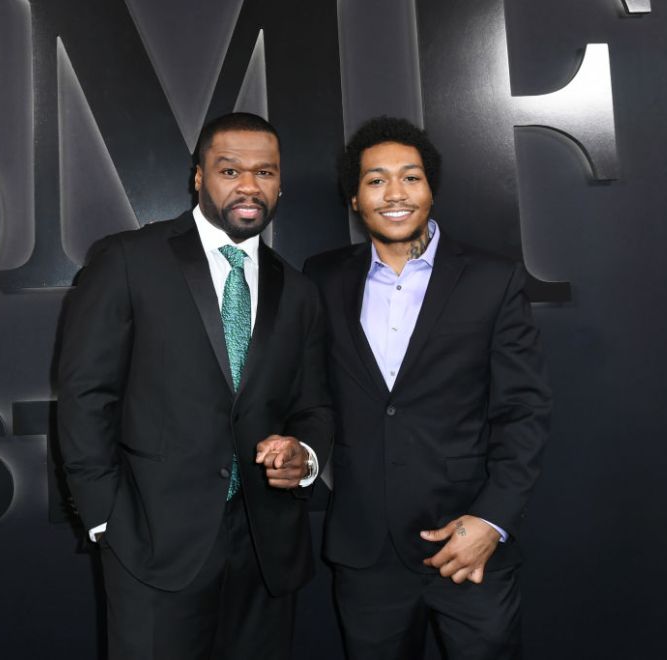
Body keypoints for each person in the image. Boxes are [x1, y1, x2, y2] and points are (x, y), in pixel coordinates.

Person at [57, 112, 333, 660]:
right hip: (152, 543)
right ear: (199, 177)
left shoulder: (298, 290)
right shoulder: (128, 260)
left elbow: (314, 405)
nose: (249, 185)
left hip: (267, 553)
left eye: (265, 172)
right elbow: (86, 394)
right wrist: (106, 519)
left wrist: (304, 456)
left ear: (280, 183)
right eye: (230, 170)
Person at [304, 116, 551, 659]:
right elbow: (313, 395)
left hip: (468, 542)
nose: (395, 193)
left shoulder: (492, 279)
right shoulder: (321, 278)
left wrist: (491, 520)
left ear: (431, 190)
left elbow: (523, 412)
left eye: (410, 177)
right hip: (367, 552)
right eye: (376, 180)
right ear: (354, 198)